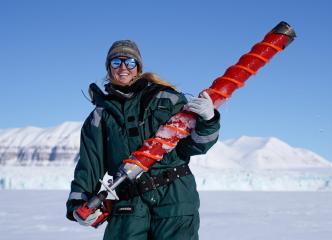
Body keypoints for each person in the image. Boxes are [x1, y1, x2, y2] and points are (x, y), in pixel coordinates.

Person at [66, 40, 220, 240]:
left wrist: (208, 120)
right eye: (116, 62)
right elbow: (89, 165)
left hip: (175, 199)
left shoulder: (167, 99)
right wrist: (79, 204)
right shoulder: (100, 117)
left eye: (129, 61)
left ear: (138, 66)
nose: (123, 67)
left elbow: (193, 147)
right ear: (108, 68)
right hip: (128, 204)